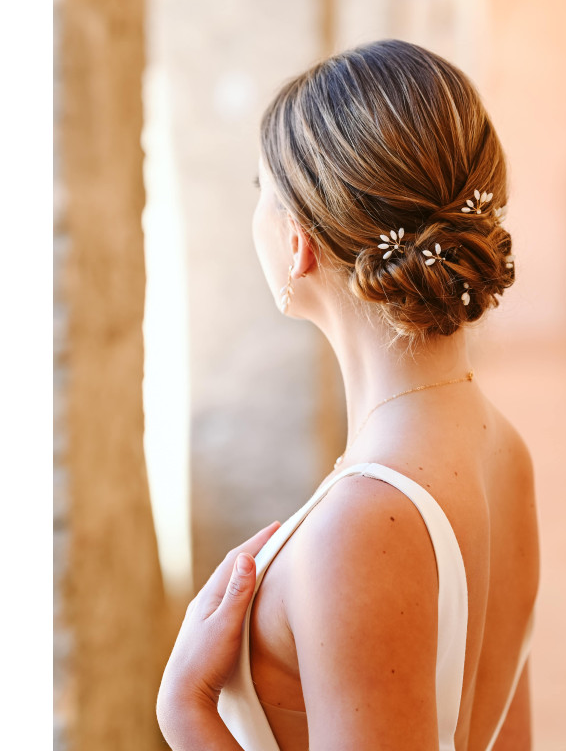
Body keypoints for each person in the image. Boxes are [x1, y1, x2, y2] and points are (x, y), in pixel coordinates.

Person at [158, 38, 540, 750]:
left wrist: (187, 713)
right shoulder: (501, 446)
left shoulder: (364, 523)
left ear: (297, 241)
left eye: (261, 189)